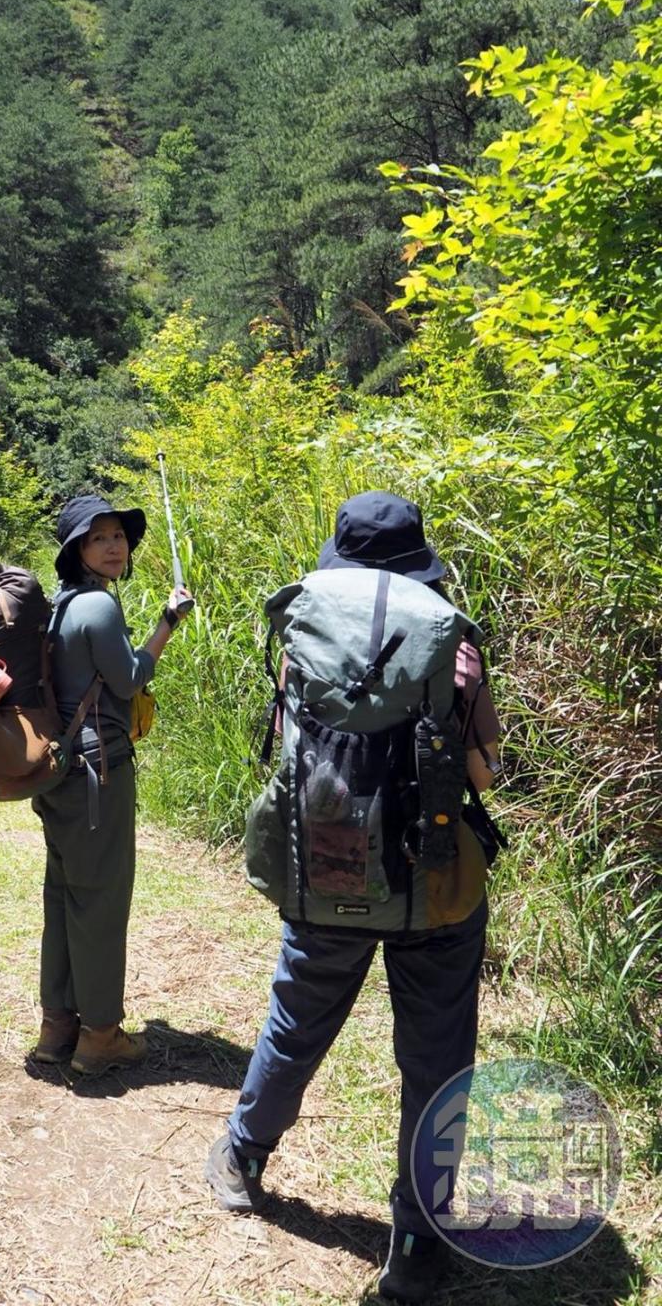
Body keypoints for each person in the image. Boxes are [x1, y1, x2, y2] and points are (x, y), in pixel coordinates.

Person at [204, 491, 502, 1304]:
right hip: (433, 883)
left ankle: (244, 1156)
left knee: (297, 1020)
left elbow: (286, 743)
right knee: (436, 1058)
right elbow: (484, 773)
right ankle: (416, 1238)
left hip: (326, 868)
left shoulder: (306, 638)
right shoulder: (454, 646)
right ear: (417, 562)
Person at [32, 494, 191, 1077]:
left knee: (64, 896)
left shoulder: (59, 604)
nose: (114, 545)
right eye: (99, 537)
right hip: (98, 775)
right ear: (77, 549)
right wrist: (167, 623)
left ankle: (57, 1027)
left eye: (119, 535)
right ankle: (99, 1035)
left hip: (59, 774)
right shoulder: (97, 607)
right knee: (98, 902)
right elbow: (128, 681)